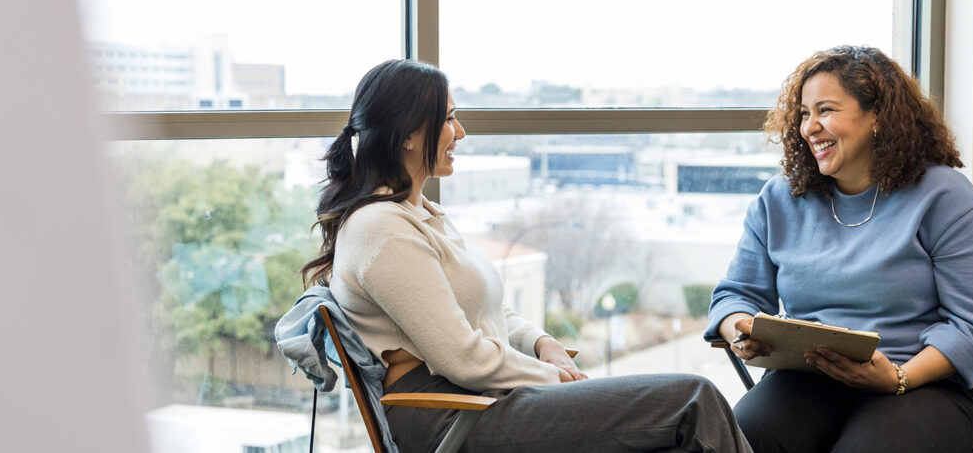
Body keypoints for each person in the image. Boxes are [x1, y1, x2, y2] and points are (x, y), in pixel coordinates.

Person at [301, 59, 751, 453]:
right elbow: (462, 358)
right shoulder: (381, 228)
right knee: (694, 399)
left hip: (478, 401)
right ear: (409, 135)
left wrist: (543, 344)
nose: (460, 132)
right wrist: (552, 378)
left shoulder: (418, 214)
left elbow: (486, 307)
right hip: (452, 416)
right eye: (449, 119)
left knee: (671, 437)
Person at [704, 45, 973, 452]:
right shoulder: (779, 199)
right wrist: (739, 331)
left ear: (878, 115)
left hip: (923, 383)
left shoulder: (947, 199)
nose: (809, 127)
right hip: (807, 379)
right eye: (804, 114)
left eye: (825, 110)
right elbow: (734, 295)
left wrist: (899, 378)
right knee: (732, 444)